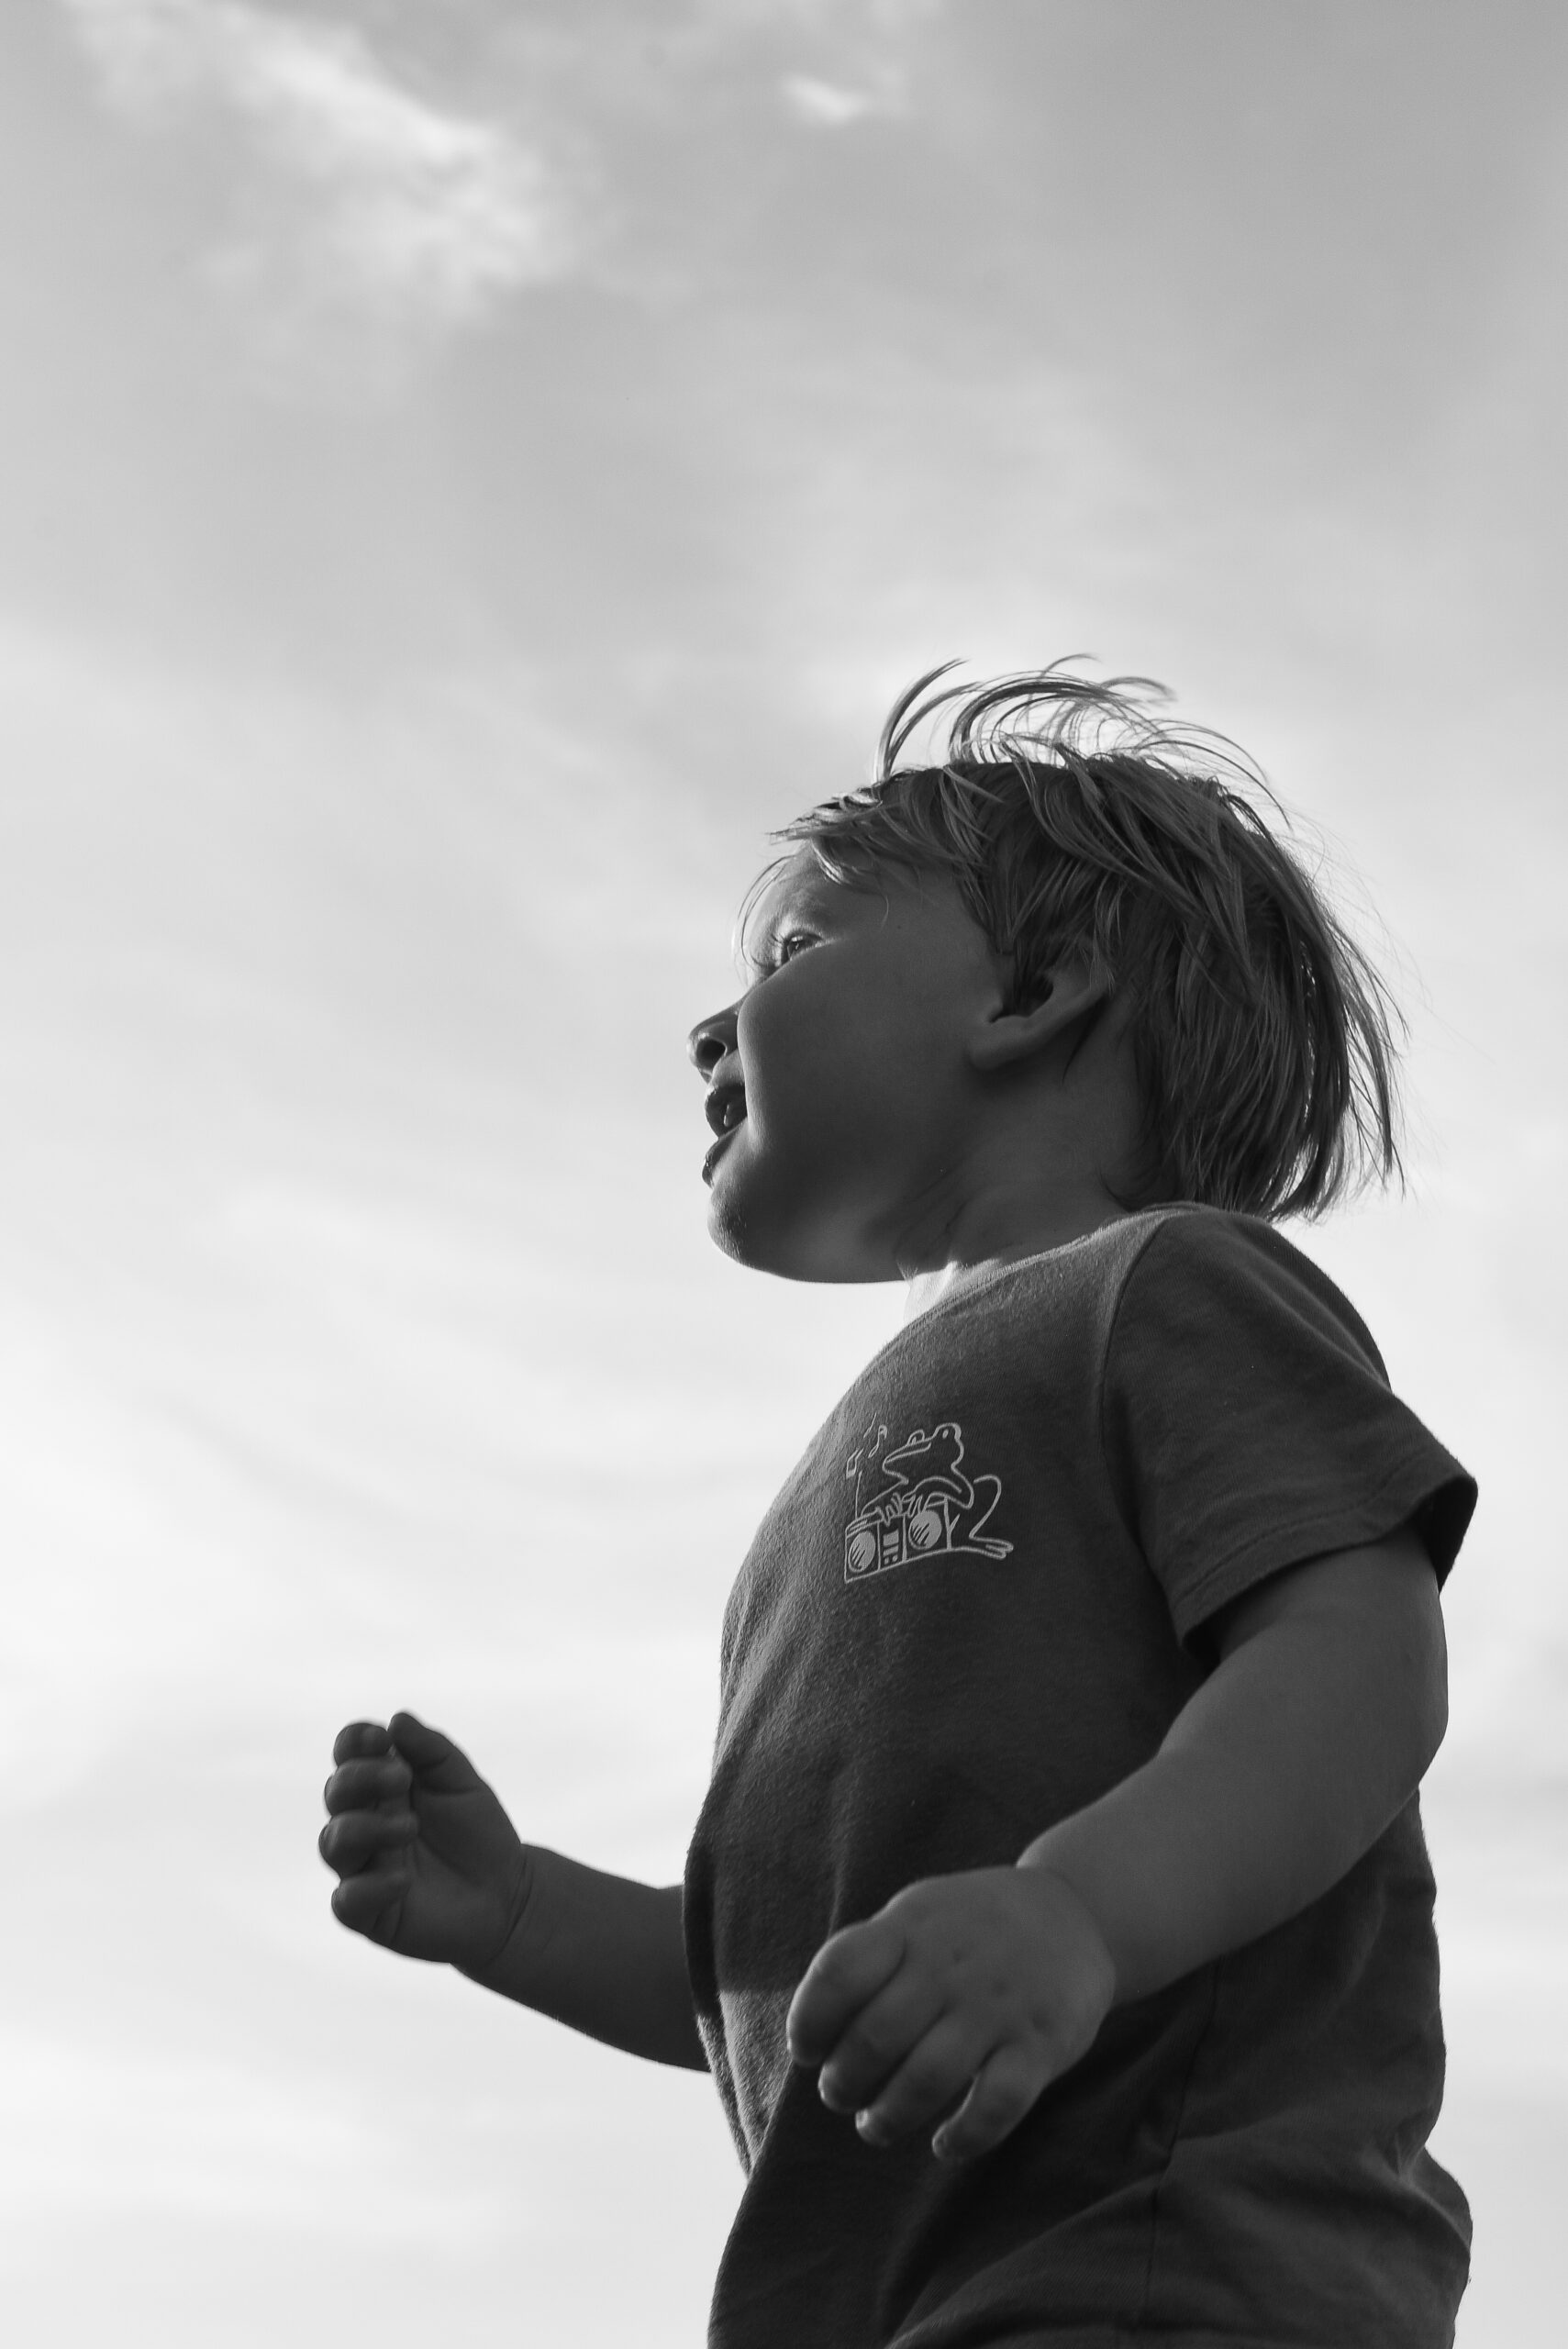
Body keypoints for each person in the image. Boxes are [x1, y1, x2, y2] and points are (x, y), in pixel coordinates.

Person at [320, 664, 1477, 2348]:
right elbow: (803, 1977)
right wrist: (513, 1914)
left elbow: (1360, 1651)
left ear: (1029, 989)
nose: (710, 1028)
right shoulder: (822, 1490)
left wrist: (1079, 1911)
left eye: (794, 952)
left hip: (1161, 2263)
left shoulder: (1164, 1287)